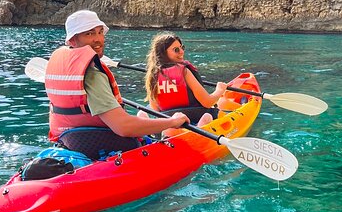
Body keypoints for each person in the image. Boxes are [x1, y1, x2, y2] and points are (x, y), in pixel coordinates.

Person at [44, 10, 189, 160]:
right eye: (89, 34)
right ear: (73, 40)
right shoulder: (93, 75)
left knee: (144, 122)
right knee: (161, 133)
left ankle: (146, 121)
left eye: (100, 32)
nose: (98, 39)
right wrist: (172, 121)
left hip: (71, 143)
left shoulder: (61, 66)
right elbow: (124, 127)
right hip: (101, 145)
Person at [142, 33, 229, 129]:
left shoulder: (153, 75)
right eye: (176, 50)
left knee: (147, 110)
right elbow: (207, 102)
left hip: (169, 121)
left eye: (182, 47)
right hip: (195, 117)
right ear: (163, 53)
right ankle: (199, 128)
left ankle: (161, 132)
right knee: (209, 115)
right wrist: (219, 90)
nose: (182, 52)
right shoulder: (184, 71)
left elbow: (156, 109)